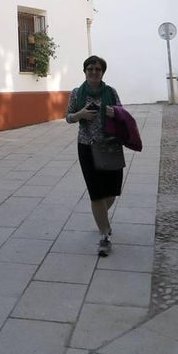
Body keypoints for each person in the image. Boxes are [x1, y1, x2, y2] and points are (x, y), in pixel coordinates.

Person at [65, 55, 122, 257]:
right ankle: (105, 235)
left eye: (97, 69)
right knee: (96, 193)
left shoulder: (111, 92)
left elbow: (122, 114)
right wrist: (81, 114)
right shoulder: (76, 93)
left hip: (110, 146)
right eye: (90, 68)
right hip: (86, 147)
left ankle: (101, 217)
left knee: (112, 192)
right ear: (85, 71)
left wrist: (110, 112)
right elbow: (69, 118)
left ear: (102, 72)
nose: (94, 72)